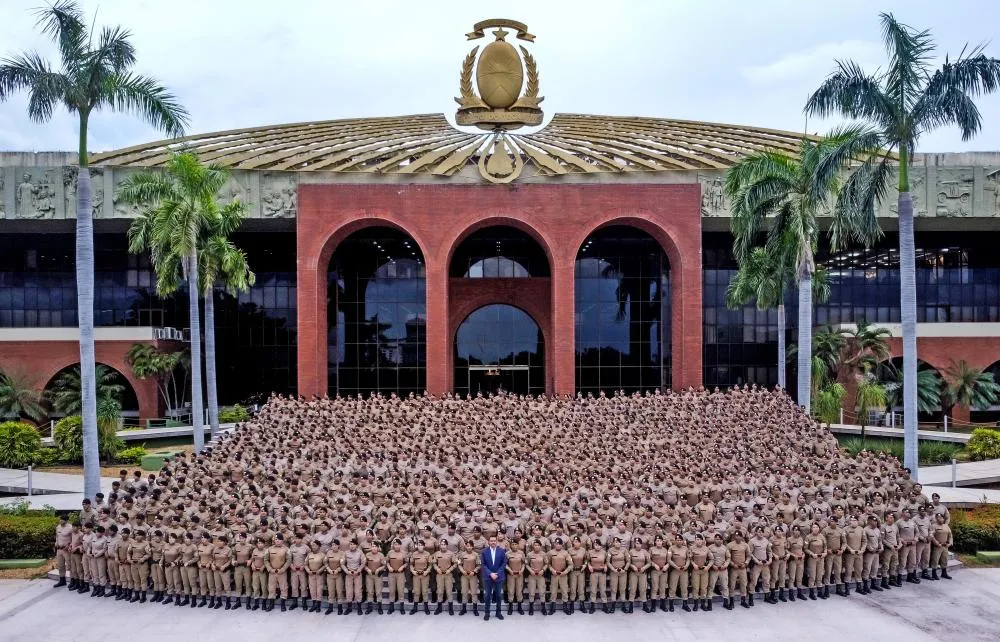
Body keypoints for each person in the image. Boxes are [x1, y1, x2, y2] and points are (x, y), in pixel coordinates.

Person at [480, 534, 506, 620]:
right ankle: (487, 612)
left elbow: (503, 564)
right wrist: (491, 574)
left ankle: (498, 613)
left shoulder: (502, 551)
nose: (493, 542)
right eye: (491, 541)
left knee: (498, 595)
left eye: (494, 541)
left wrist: (497, 574)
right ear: (488, 542)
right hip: (488, 577)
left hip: (498, 577)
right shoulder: (484, 551)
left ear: (496, 541)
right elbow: (483, 565)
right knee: (487, 595)